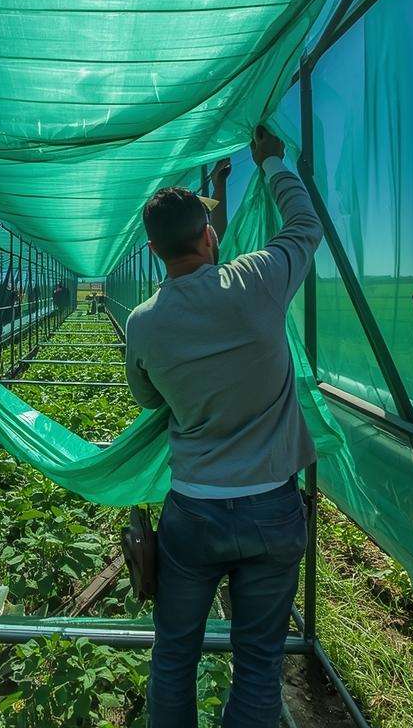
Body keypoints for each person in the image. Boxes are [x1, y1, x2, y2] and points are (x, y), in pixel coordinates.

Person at [123, 128, 319, 728]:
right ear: (211, 237)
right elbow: (305, 226)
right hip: (272, 508)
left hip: (195, 512)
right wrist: (272, 164)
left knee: (175, 654)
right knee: (258, 663)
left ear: (155, 252)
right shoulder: (256, 282)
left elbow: (148, 397)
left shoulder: (144, 323)